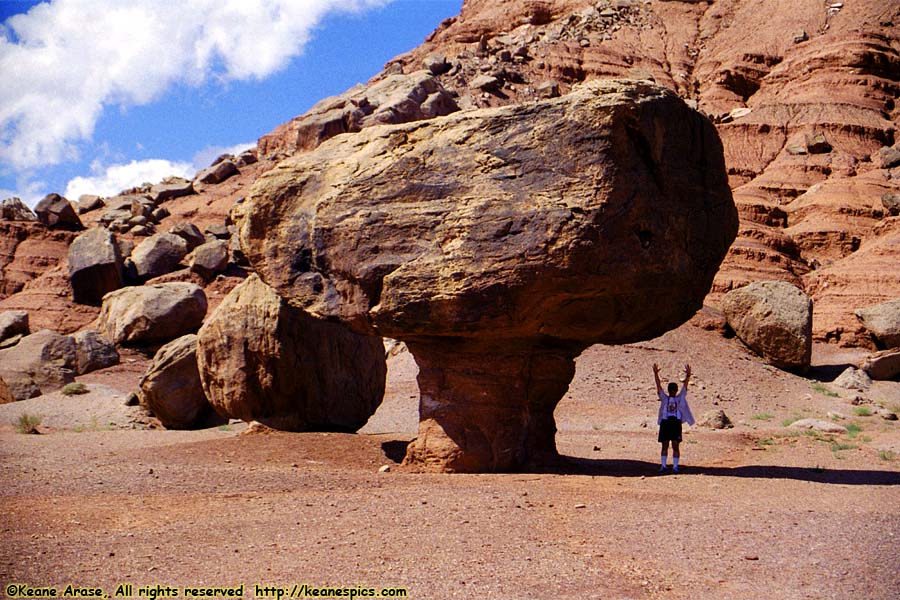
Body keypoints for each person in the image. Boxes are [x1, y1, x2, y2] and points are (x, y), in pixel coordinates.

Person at [652, 363, 695, 473]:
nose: (672, 392)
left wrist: (688, 377)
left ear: (675, 391)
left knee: (674, 445)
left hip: (674, 423)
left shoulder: (679, 399)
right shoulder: (664, 398)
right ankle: (664, 466)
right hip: (666, 423)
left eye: (673, 390)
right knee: (665, 445)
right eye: (671, 390)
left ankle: (674, 466)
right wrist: (655, 374)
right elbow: (658, 387)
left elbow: (684, 388)